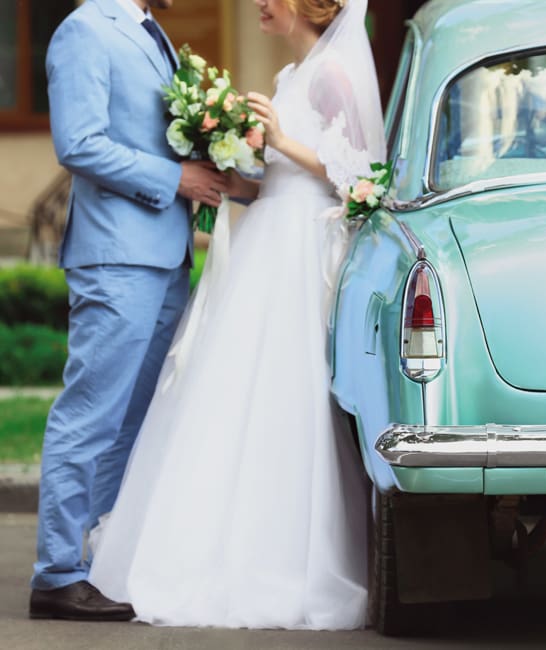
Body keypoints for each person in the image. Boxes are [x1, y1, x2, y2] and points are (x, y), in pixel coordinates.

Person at [87, 0, 386, 629]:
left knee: (285, 392)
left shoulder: (334, 75)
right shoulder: (287, 79)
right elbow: (274, 179)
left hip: (301, 249)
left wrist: (281, 142)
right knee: (228, 390)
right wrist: (228, 166)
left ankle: (288, 558)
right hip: (265, 239)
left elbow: (363, 180)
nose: (259, 4)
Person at [29, 0, 229, 621]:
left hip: (165, 257)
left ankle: (101, 556)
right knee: (90, 413)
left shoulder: (153, 31)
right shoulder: (84, 30)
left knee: (133, 421)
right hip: (115, 258)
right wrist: (177, 180)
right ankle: (57, 573)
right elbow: (79, 144)